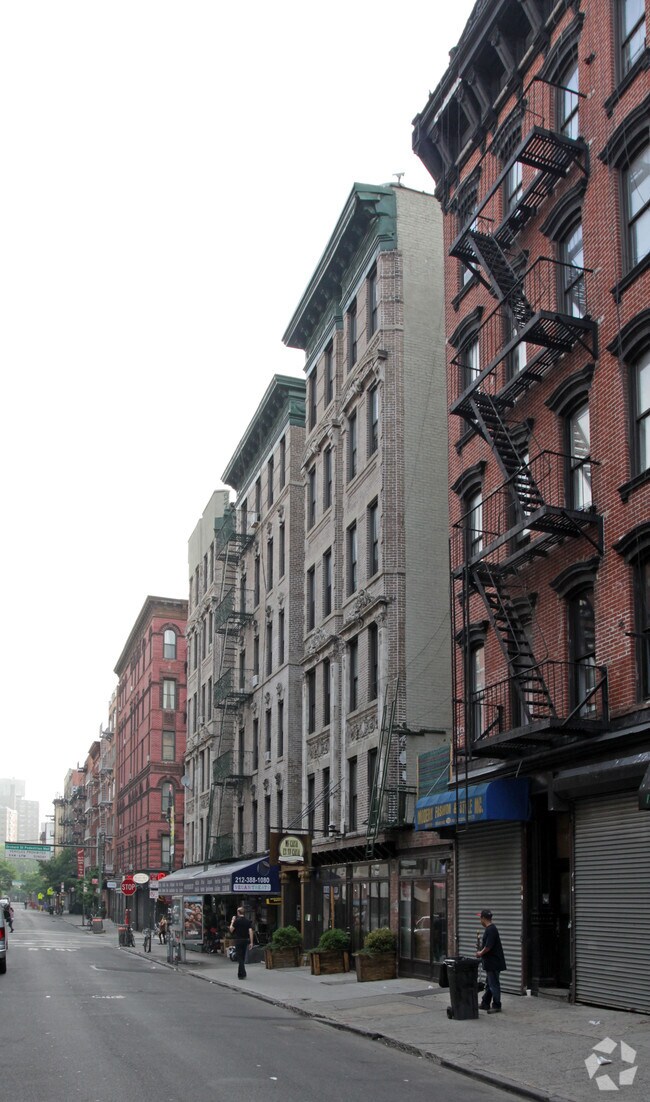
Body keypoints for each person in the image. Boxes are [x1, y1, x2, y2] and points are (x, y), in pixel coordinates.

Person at [476, 909, 506, 1013]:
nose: (480, 920)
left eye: (480, 918)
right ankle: (485, 1003)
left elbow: (488, 947)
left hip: (494, 962)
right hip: (491, 962)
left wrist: (480, 953)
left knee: (494, 984)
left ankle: (497, 1005)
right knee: (489, 984)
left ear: (483, 918)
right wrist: (481, 948)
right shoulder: (490, 929)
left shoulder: (491, 930)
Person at [229, 905, 254, 979]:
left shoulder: (237, 921)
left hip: (238, 940)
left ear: (238, 912)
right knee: (242, 956)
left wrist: (232, 921)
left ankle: (243, 973)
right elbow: (250, 931)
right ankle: (240, 974)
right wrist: (251, 942)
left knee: (239, 957)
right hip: (245, 940)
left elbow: (231, 930)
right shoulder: (248, 921)